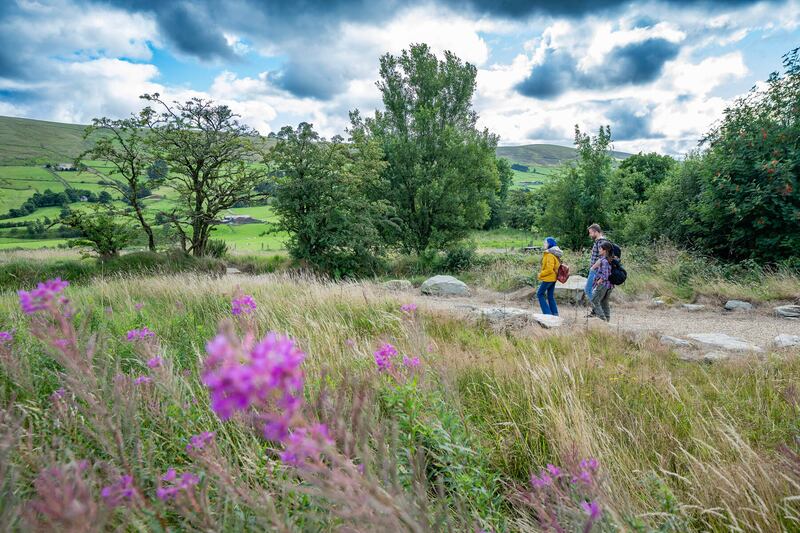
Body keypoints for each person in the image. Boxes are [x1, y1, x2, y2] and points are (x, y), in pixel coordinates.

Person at [585, 223, 608, 314]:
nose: (590, 235)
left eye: (591, 233)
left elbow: (602, 258)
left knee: (587, 289)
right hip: (596, 270)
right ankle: (595, 310)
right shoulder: (600, 242)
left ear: (596, 232)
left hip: (596, 270)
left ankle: (597, 309)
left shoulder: (601, 242)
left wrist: (593, 268)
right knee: (594, 291)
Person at [536, 237, 563, 316]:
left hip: (549, 278)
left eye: (545, 242)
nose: (544, 244)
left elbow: (549, 270)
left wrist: (540, 274)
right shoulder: (553, 254)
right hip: (553, 278)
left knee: (539, 294)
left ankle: (547, 314)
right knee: (550, 296)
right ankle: (555, 314)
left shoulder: (549, 255)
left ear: (549, 244)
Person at [590, 241, 614, 321]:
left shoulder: (604, 261)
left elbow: (605, 274)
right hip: (609, 285)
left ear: (605, 250)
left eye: (600, 249)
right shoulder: (610, 259)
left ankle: (602, 319)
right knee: (604, 302)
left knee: (594, 300)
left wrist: (599, 280)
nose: (599, 250)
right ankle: (607, 319)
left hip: (603, 285)